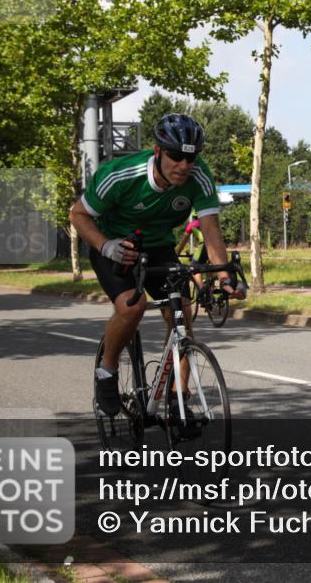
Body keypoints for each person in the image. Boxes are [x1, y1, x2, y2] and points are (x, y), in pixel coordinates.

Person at [69, 113, 244, 417]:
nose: (183, 166)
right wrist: (105, 245)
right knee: (132, 307)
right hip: (114, 245)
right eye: (176, 156)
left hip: (159, 246)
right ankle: (107, 371)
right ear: (158, 150)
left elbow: (210, 229)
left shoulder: (198, 176)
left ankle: (178, 396)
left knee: (180, 310)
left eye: (191, 159)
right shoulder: (121, 174)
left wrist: (224, 275)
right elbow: (78, 215)